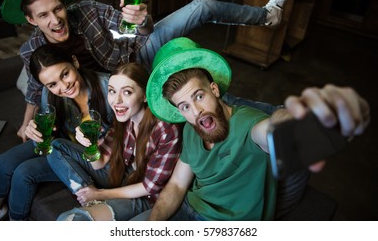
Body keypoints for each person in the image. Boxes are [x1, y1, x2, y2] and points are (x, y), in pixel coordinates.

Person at [0, 0, 290, 142]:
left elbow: (132, 30)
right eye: (43, 16)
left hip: (137, 52)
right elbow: (34, 91)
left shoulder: (87, 10)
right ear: (31, 20)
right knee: (193, 88)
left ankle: (267, 15)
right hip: (120, 86)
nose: (55, 20)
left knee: (201, 6)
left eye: (57, 9)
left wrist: (143, 20)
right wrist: (25, 124)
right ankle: (277, 114)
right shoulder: (33, 49)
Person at [130, 37, 370, 221]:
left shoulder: (248, 124)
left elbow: (273, 129)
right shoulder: (191, 131)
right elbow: (177, 185)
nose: (196, 111)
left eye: (199, 96)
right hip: (187, 209)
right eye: (184, 106)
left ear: (214, 89)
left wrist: (302, 122)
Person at [0, 44, 113, 221]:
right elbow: (52, 132)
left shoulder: (110, 88)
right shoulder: (49, 94)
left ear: (75, 62)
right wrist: (36, 130)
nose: (64, 86)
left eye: (65, 74)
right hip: (61, 144)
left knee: (23, 173)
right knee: (3, 162)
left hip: (94, 160)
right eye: (53, 84)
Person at [48, 62, 182, 221]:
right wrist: (90, 146)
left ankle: (93, 198)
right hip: (123, 177)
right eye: (112, 91)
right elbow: (100, 162)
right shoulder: (123, 119)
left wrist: (101, 194)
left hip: (146, 196)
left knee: (70, 220)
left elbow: (150, 187)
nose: (116, 100)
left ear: (145, 95)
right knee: (57, 146)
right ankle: (87, 194)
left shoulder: (165, 129)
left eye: (127, 92)